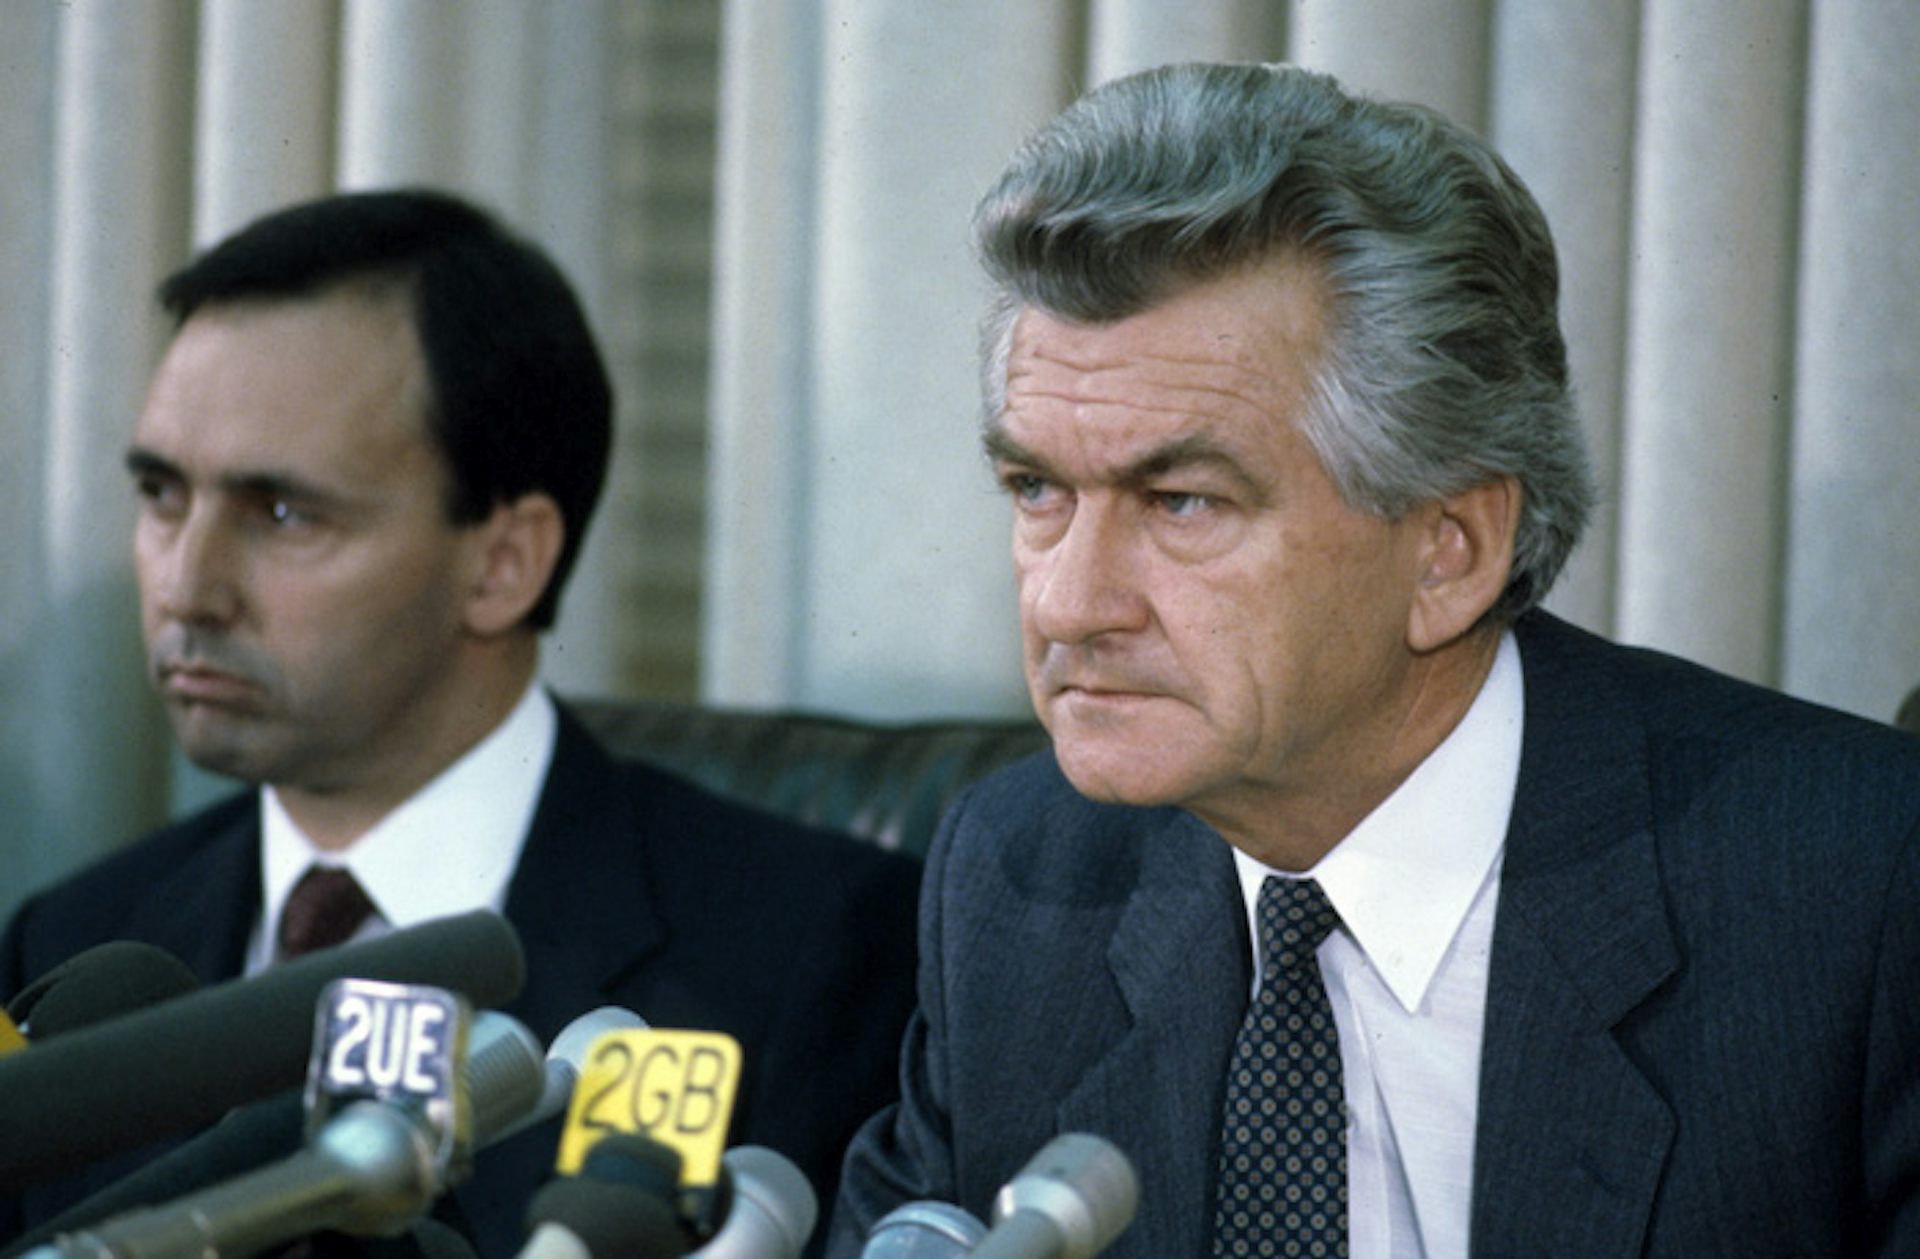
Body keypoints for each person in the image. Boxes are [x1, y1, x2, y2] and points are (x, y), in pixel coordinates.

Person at [831, 62, 1920, 1257]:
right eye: (1037, 488)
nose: (1068, 600)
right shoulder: (1021, 882)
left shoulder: (1857, 895)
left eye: (1183, 501)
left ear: (1450, 551)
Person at [0, 190, 920, 1257]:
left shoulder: (812, 949)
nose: (186, 588)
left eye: (283, 513)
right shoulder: (72, 946)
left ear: (503, 563)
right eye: (163, 495)